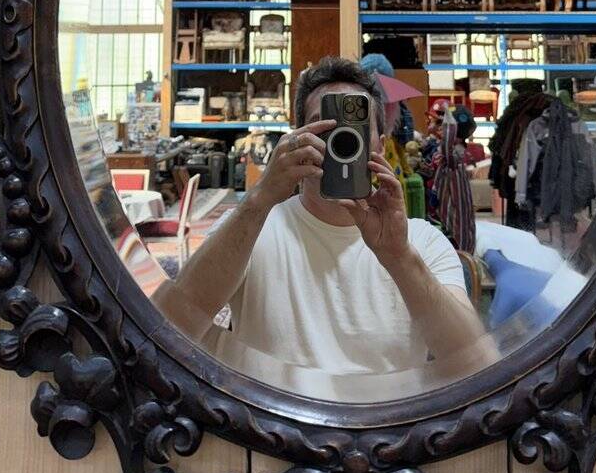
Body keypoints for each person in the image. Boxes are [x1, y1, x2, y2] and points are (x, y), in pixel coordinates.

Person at [153, 56, 487, 380]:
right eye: (325, 124)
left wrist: (399, 257)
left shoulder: (421, 242)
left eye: (353, 129)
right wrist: (259, 199)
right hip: (272, 430)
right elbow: (170, 330)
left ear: (380, 146)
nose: (341, 140)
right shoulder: (251, 227)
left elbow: (476, 364)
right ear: (297, 139)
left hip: (384, 431)